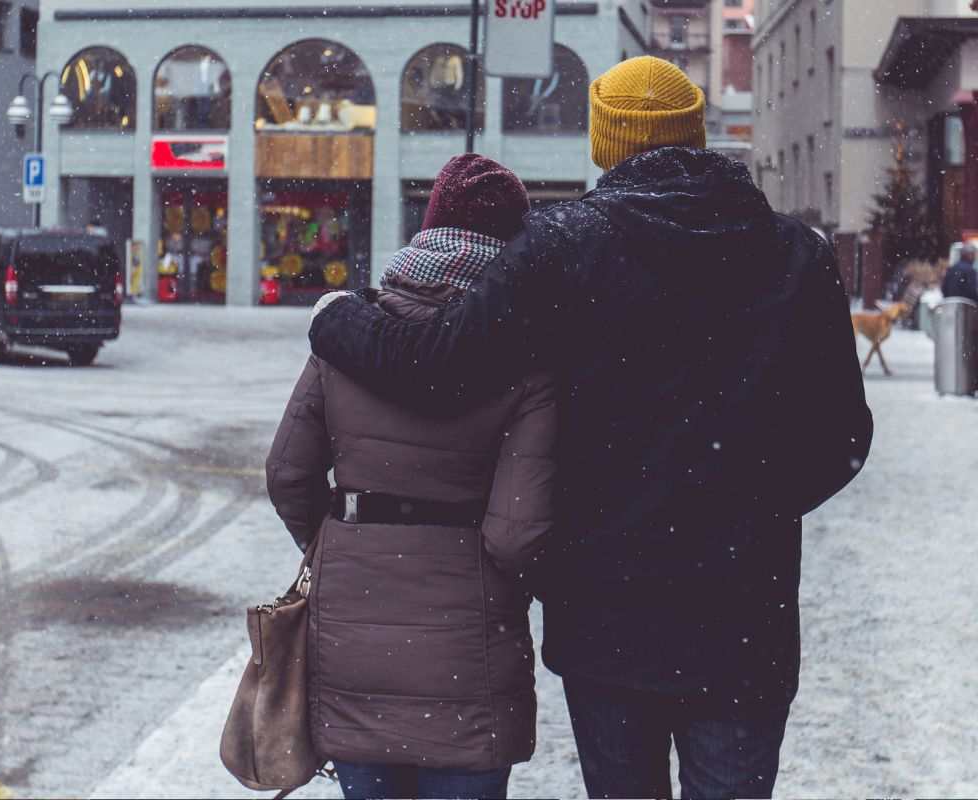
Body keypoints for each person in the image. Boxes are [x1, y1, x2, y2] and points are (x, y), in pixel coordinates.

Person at [308, 57, 873, 799]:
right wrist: (746, 508)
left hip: (607, 611)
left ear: (606, 142)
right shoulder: (796, 254)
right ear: (695, 134)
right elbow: (842, 438)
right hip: (743, 616)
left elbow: (438, 368)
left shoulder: (564, 245)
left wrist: (336, 317)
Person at [266, 154, 557, 800]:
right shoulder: (527, 357)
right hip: (468, 654)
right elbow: (518, 533)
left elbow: (288, 473)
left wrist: (341, 543)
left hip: (353, 639)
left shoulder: (345, 336)